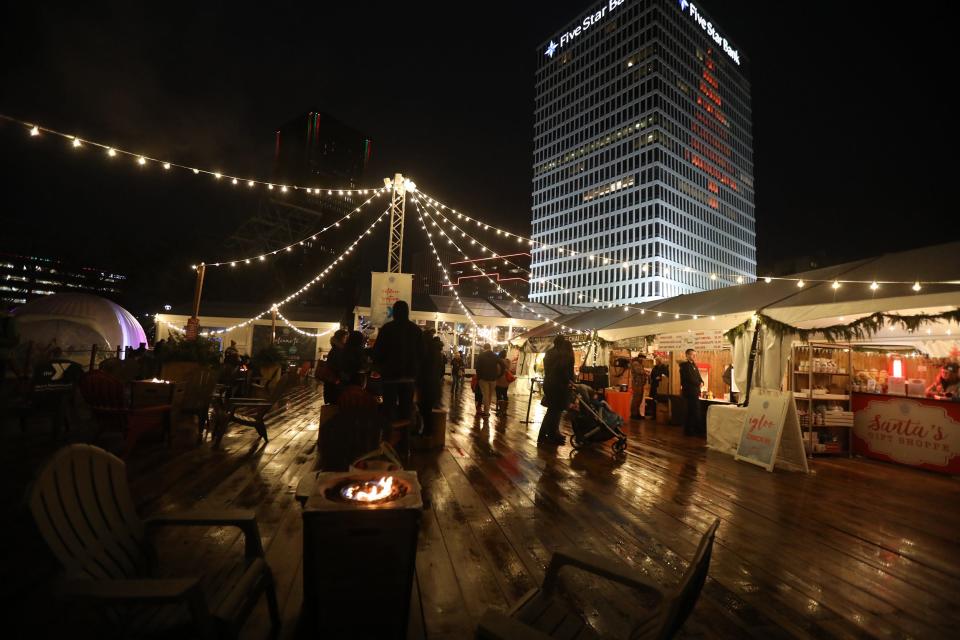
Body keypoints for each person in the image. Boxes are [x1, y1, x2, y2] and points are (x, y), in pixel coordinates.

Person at [372, 300, 422, 421]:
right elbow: (421, 353)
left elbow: (378, 352)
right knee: (406, 410)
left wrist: (380, 367)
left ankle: (388, 437)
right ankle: (404, 437)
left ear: (393, 312)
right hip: (409, 377)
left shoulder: (387, 329)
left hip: (390, 377)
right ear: (407, 312)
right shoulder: (415, 330)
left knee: (388, 409)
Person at [539, 336, 574, 446]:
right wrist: (569, 380)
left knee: (552, 411)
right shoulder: (564, 354)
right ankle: (545, 435)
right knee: (554, 412)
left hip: (548, 383)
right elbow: (563, 371)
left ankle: (550, 434)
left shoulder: (549, 353)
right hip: (558, 385)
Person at [318, 329, 348, 404]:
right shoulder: (338, 350)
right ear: (340, 338)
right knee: (335, 403)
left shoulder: (336, 348)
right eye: (345, 337)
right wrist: (341, 377)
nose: (346, 339)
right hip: (335, 381)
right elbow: (336, 366)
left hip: (332, 381)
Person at [679, 349, 704, 437]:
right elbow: (689, 378)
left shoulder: (694, 365)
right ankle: (690, 430)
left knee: (694, 411)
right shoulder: (684, 366)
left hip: (695, 391)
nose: (694, 356)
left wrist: (702, 381)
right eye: (692, 355)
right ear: (687, 355)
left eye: (695, 355)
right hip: (689, 391)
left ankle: (694, 429)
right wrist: (698, 383)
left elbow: (698, 376)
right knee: (691, 411)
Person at [475, 343, 505, 417]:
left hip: (483, 379)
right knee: (490, 395)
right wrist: (499, 375)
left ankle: (486, 412)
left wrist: (479, 377)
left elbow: (477, 368)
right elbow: (502, 365)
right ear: (490, 348)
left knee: (485, 395)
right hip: (493, 379)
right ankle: (486, 411)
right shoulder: (495, 356)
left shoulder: (481, 356)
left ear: (484, 348)